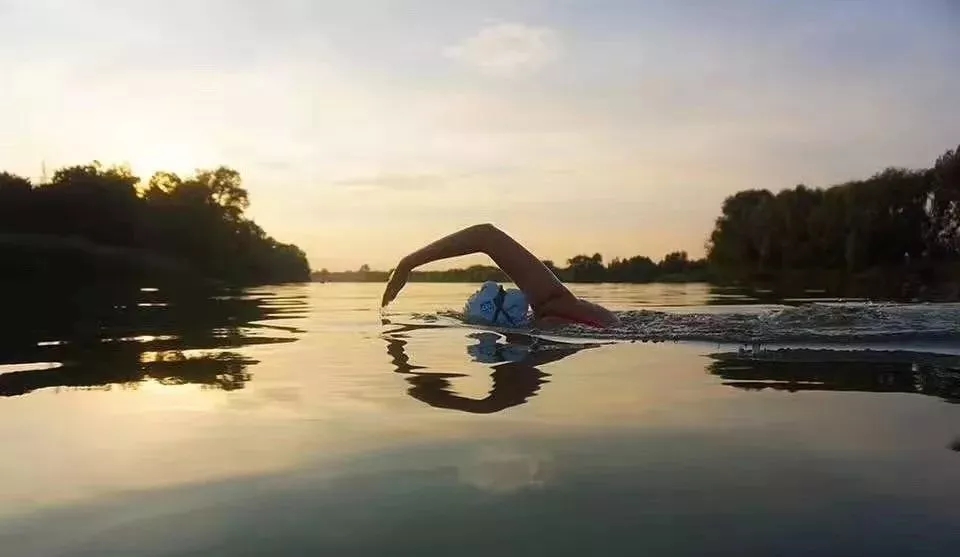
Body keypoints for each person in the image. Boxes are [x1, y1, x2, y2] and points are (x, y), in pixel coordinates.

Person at [380, 223, 619, 328]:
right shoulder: (560, 305)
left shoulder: (555, 309)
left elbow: (486, 235)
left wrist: (405, 264)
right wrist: (407, 264)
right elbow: (486, 235)